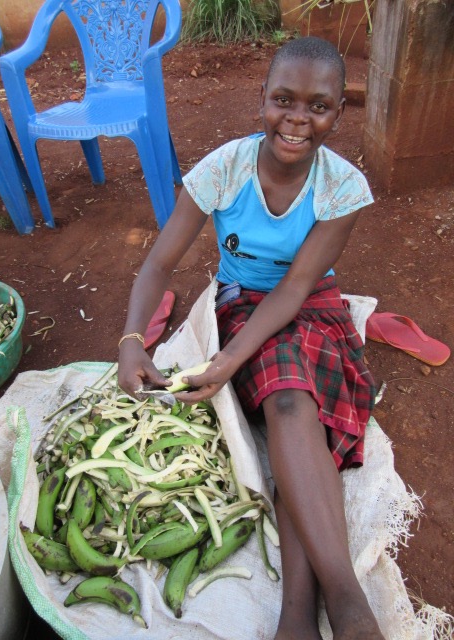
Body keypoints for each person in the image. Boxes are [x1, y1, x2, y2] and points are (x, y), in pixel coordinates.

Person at [118, 36, 384, 640]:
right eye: (283, 99)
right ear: (262, 97)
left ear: (340, 112)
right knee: (290, 406)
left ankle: (316, 610)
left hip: (309, 304)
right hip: (241, 304)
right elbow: (159, 263)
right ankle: (336, 607)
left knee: (297, 415)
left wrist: (228, 360)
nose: (297, 119)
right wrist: (132, 338)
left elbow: (297, 289)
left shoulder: (342, 187)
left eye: (319, 106)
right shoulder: (224, 170)